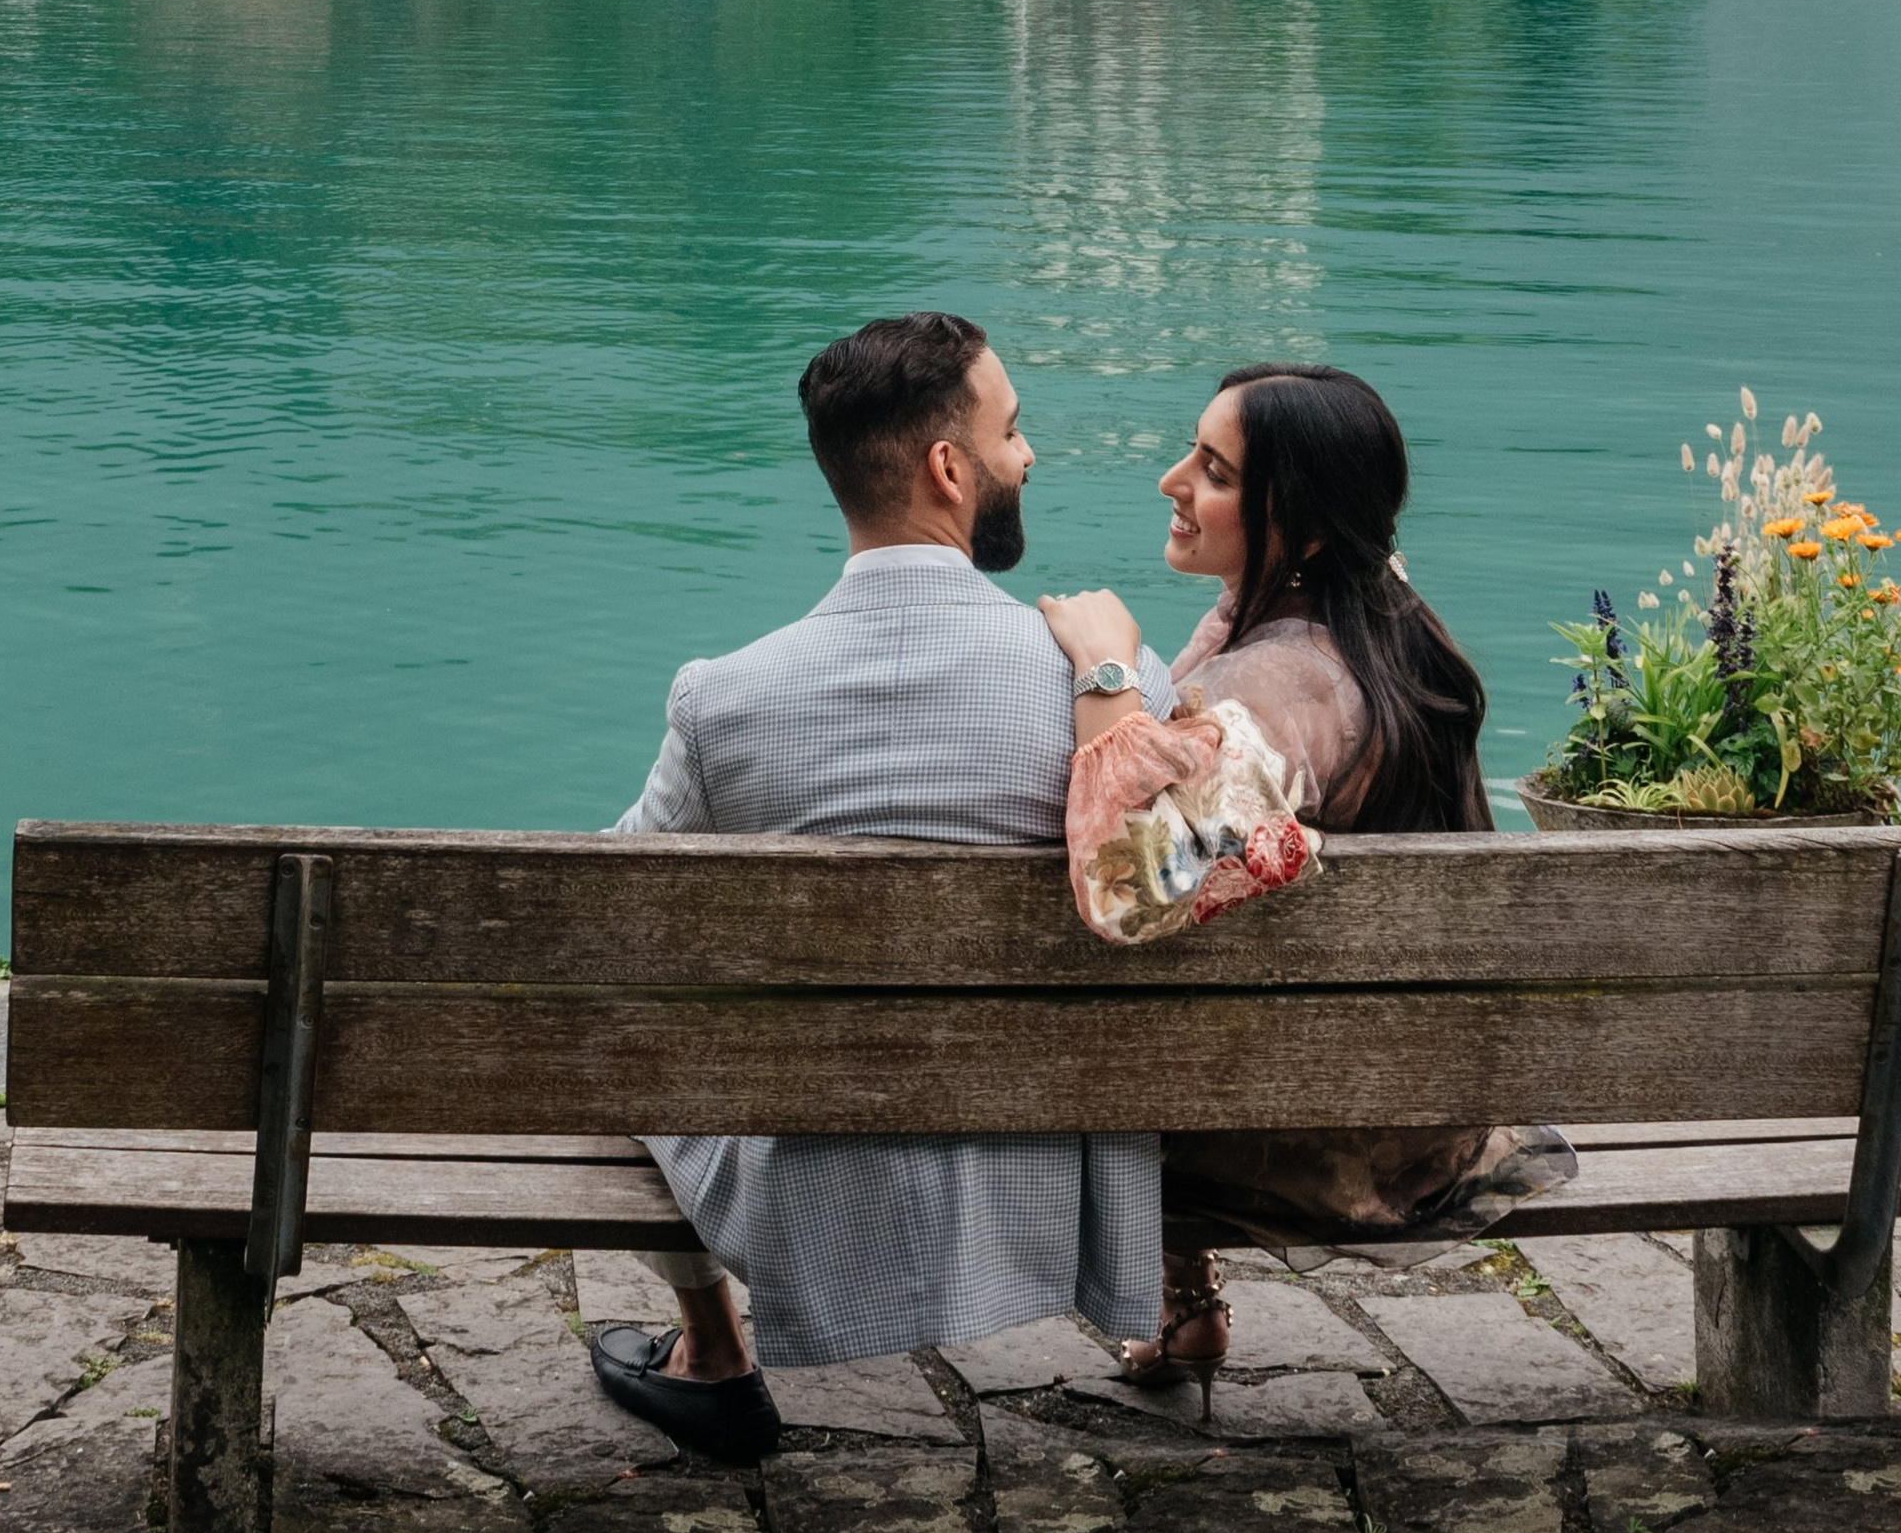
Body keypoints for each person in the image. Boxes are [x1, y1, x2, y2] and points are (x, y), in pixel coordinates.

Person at [592, 308, 1179, 1462]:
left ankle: (713, 1353)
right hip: (1045, 1166)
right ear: (948, 469)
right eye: (1013, 431)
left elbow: (604, 905)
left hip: (809, 1182)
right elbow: (1172, 885)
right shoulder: (1103, 686)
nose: (1028, 456)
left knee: (618, 1015)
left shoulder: (725, 700)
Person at [1038, 360, 1575, 1376]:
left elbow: (1130, 886)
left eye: (1215, 472)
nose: (1172, 481)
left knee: (1102, 997)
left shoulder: (1281, 690)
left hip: (1318, 1139)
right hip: (1423, 1108)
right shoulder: (1391, 629)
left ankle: (1176, 1288)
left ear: (1309, 528)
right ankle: (1184, 1301)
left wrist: (1102, 670)